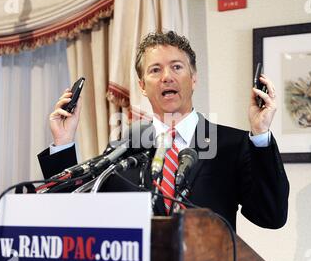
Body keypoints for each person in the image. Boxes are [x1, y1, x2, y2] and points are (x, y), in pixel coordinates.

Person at [38, 31, 289, 230]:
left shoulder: (231, 144)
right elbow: (71, 213)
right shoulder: (126, 146)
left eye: (177, 67)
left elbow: (271, 216)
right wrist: (63, 142)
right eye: (155, 70)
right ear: (142, 86)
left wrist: (260, 134)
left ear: (193, 79)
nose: (166, 77)